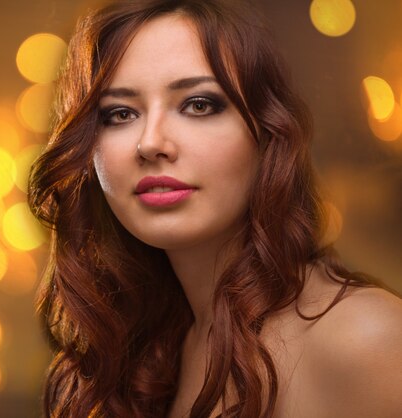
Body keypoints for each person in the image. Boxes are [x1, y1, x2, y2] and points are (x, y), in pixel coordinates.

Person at [27, 0, 402, 417]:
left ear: (267, 133)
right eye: (120, 113)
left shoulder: (365, 339)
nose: (150, 142)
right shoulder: (150, 347)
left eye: (199, 105)